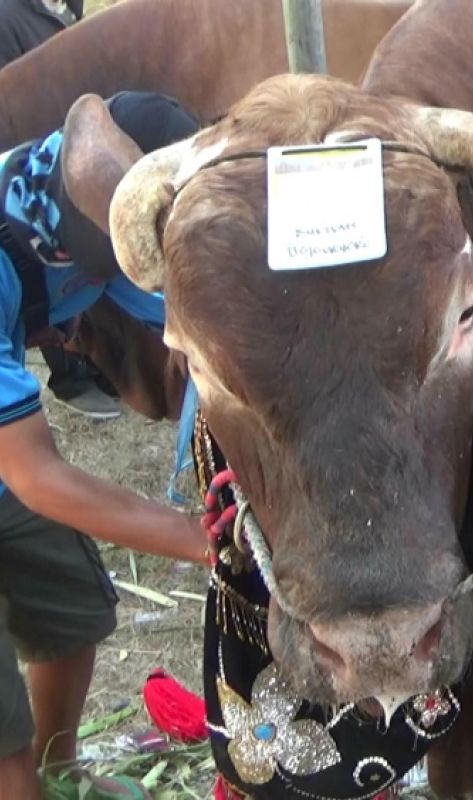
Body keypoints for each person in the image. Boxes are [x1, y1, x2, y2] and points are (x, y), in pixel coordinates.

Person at [0, 92, 208, 800]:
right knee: (6, 760)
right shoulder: (42, 234)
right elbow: (37, 477)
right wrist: (202, 538)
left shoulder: (92, 216)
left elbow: (199, 348)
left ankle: (61, 772)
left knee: (71, 615)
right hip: (16, 468)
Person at [0, 0, 122, 420]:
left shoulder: (62, 6)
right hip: (31, 187)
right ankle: (69, 375)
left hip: (71, 171)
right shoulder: (5, 17)